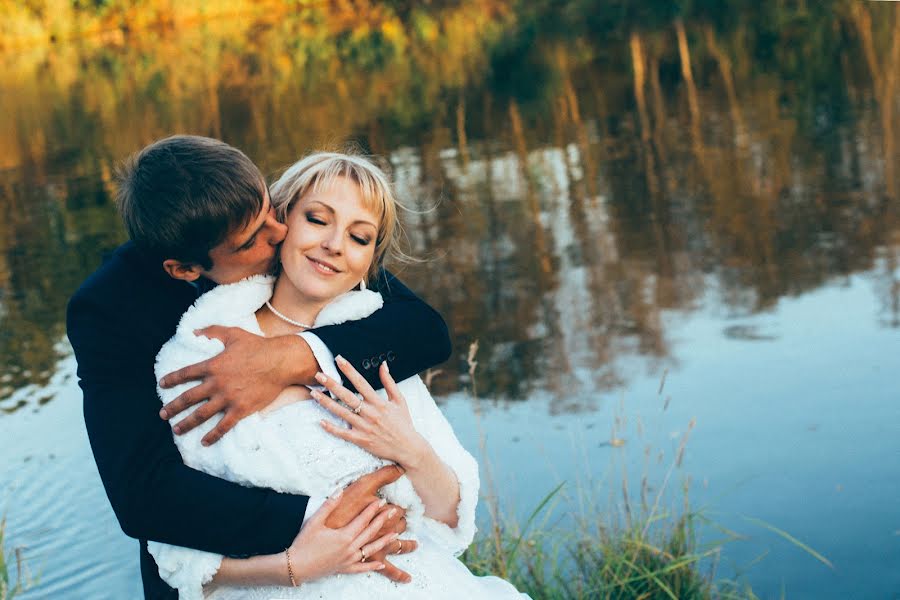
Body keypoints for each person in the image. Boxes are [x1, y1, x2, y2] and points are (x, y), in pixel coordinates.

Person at [66, 136, 452, 598]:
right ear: (185, 270)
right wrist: (328, 523)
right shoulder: (109, 310)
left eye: (275, 209)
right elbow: (143, 494)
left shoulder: (264, 216)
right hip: (224, 560)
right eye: (252, 240)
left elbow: (423, 329)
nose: (280, 231)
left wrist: (289, 357)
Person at [148, 151, 527, 598]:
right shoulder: (202, 352)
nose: (335, 244)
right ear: (281, 221)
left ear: (370, 261)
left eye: (360, 237)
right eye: (317, 219)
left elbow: (449, 519)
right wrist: (296, 565)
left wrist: (411, 451)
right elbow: (178, 548)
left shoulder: (372, 342)